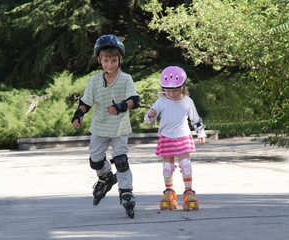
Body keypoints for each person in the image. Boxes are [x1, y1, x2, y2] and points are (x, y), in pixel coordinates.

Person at [71, 34, 140, 218]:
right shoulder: (94, 81)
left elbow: (135, 100)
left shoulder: (126, 79)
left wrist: (121, 106)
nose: (110, 64)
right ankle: (107, 177)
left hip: (119, 128)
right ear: (99, 60)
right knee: (95, 160)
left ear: (120, 59)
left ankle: (126, 191)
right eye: (106, 60)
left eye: (114, 60)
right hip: (99, 127)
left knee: (121, 161)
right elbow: (85, 102)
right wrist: (78, 114)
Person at [144, 66, 206, 211]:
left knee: (185, 164)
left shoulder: (187, 101)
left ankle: (189, 191)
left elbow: (195, 119)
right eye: (168, 90)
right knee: (167, 167)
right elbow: (148, 119)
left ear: (183, 87)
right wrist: (150, 116)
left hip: (183, 136)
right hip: (166, 137)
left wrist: (201, 133)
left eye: (175, 90)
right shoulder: (161, 101)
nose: (171, 94)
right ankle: (169, 192)